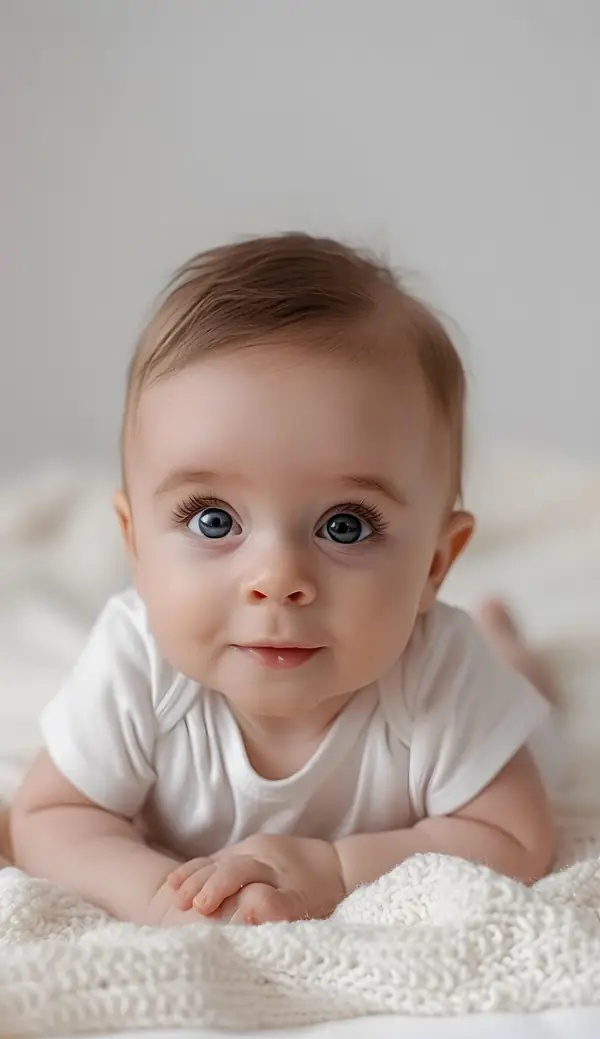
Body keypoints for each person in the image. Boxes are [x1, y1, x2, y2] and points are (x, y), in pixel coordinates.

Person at [10, 234, 557, 927]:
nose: (277, 580)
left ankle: (511, 647)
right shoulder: (137, 662)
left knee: (528, 696)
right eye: (213, 520)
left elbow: (512, 836)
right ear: (135, 545)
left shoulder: (441, 672)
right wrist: (162, 898)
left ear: (434, 565)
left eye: (345, 525)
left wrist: (336, 869)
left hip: (481, 684)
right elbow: (52, 816)